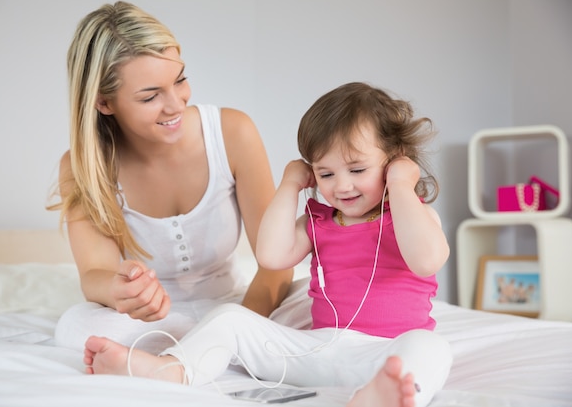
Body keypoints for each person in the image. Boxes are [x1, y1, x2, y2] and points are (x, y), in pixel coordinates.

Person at [83, 82, 453, 407]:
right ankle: (171, 368)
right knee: (230, 319)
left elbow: (426, 260)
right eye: (325, 173)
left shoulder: (412, 216)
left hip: (385, 353)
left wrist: (402, 186)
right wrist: (289, 185)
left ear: (394, 162)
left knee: (431, 348)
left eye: (357, 170)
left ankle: (381, 395)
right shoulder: (318, 222)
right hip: (318, 349)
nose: (341, 186)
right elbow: (271, 255)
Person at [49, 1, 310, 353]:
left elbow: (276, 266)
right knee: (76, 326)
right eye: (150, 96)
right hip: (150, 323)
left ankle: (181, 356)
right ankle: (202, 355)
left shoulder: (233, 132)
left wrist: (234, 327)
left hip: (238, 306)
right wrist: (120, 289)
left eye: (180, 80)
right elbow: (95, 273)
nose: (176, 104)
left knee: (317, 298)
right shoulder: (83, 167)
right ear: (104, 103)